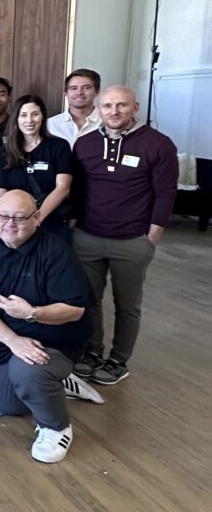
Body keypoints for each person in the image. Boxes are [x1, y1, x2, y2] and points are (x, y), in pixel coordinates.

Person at [0, 190, 104, 463]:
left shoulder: (56, 251)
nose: (9, 224)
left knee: (27, 372)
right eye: (3, 216)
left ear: (37, 218)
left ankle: (56, 427)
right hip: (4, 343)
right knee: (10, 405)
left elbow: (75, 311)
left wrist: (32, 313)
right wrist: (13, 341)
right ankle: (57, 381)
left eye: (19, 217)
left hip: (53, 341)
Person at [70, 86, 177, 385]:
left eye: (121, 105)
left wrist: (152, 237)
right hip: (88, 236)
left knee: (127, 305)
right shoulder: (85, 144)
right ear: (98, 109)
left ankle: (118, 360)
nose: (114, 112)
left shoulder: (158, 144)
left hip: (132, 240)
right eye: (107, 106)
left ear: (135, 107)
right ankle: (92, 352)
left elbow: (166, 193)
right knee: (89, 300)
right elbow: (78, 189)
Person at [0, 95, 72, 239]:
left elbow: (63, 188)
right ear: (16, 119)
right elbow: (2, 191)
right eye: (23, 115)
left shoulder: (59, 146)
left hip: (52, 222)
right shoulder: (4, 152)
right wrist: (15, 220)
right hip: (16, 226)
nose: (29, 120)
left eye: (35, 114)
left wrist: (37, 218)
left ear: (42, 116)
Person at [47, 69, 102, 146]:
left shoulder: (107, 123)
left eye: (86, 87)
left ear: (97, 92)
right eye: (74, 88)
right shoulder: (50, 125)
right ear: (66, 93)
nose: (79, 92)